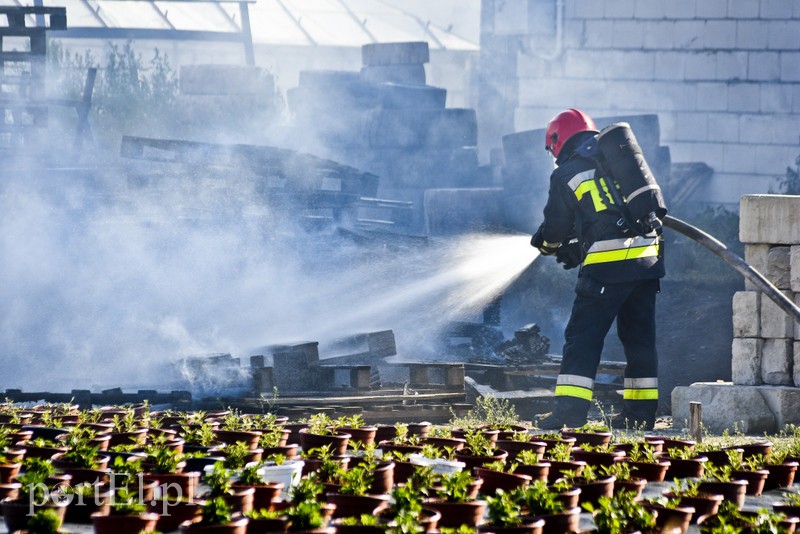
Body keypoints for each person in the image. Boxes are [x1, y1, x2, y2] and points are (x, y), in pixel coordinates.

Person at [530, 108, 665, 430]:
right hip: (647, 261)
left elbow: (555, 228)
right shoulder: (616, 164)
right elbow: (609, 215)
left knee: (583, 339)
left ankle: (569, 413)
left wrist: (548, 245)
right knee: (639, 342)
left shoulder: (567, 173)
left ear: (557, 141)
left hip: (606, 268)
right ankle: (639, 416)